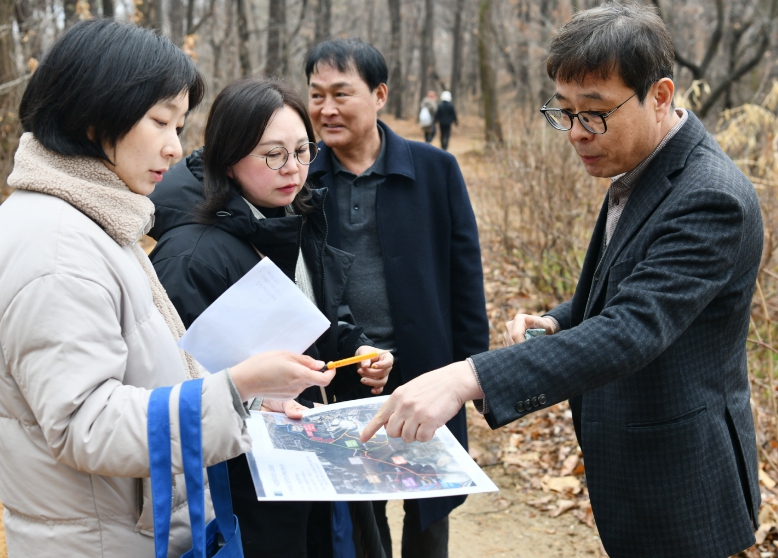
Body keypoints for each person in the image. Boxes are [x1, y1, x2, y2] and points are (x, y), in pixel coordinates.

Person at [360, 3, 763, 557]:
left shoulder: (709, 197)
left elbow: (633, 327)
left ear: (661, 96)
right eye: (565, 112)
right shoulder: (641, 164)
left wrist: (464, 376)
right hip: (629, 463)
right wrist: (557, 319)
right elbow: (620, 285)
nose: (575, 133)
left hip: (681, 477)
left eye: (594, 113)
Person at [0, 20, 334, 557]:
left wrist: (246, 398)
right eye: (160, 122)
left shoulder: (93, 221)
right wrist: (233, 389)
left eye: (179, 126)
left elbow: (151, 376)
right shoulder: (59, 248)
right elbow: (86, 424)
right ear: (95, 114)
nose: (175, 149)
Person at [147, 77, 392, 558]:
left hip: (304, 454)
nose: (294, 169)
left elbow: (315, 316)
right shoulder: (191, 256)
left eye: (303, 151)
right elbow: (176, 384)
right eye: (273, 154)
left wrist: (354, 348)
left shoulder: (291, 216)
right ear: (228, 159)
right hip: (243, 486)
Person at [305, 39, 489, 558]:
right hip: (343, 371)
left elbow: (464, 277)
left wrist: (472, 374)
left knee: (428, 509)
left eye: (342, 93)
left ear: (379, 94)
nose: (327, 108)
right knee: (361, 517)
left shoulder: (434, 169)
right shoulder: (304, 178)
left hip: (429, 368)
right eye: (317, 95)